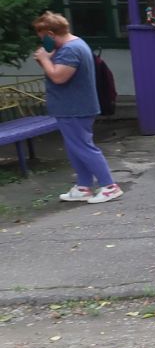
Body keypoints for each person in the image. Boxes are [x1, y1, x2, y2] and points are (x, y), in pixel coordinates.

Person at [31, 12, 122, 204]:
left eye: (42, 36)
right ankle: (83, 185)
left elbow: (59, 77)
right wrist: (49, 57)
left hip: (75, 107)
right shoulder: (72, 45)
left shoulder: (70, 50)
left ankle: (109, 186)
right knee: (75, 147)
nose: (41, 41)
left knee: (83, 146)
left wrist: (44, 60)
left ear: (50, 33)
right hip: (70, 107)